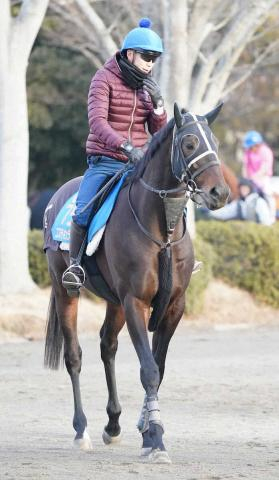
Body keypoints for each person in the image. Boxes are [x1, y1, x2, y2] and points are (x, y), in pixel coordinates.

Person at [62, 18, 167, 295]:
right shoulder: (103, 79)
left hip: (139, 163)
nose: (150, 64)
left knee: (168, 196)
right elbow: (97, 123)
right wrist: (125, 147)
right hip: (106, 160)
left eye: (154, 59)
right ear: (129, 53)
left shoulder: (147, 86)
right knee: (83, 209)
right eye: (146, 57)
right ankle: (74, 265)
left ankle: (176, 258)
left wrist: (158, 106)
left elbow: (158, 131)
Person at [208, 177, 275, 225]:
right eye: (242, 188)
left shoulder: (258, 202)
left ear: (250, 189)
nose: (243, 190)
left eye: (245, 188)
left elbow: (266, 222)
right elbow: (225, 212)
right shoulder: (239, 203)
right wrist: (210, 211)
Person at [242, 130, 274, 196]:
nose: (250, 148)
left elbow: (265, 168)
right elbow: (245, 166)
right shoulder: (248, 152)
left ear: (257, 144)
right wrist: (245, 179)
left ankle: (270, 205)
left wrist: (254, 177)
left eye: (251, 146)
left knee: (267, 193)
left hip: (263, 178)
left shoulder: (265, 151)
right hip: (250, 180)